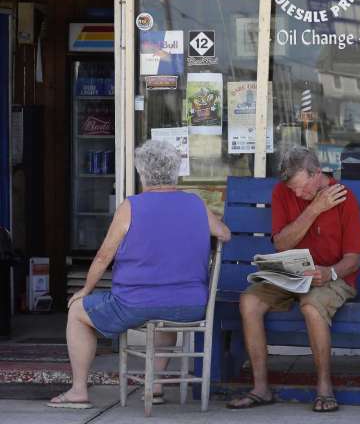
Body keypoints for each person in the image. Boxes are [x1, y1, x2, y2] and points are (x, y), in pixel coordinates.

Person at [48, 140, 231, 409]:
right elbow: (224, 234)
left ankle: (78, 391)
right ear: (175, 172)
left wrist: (84, 291)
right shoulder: (195, 203)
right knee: (166, 314)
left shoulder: (131, 207)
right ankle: (155, 385)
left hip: (134, 304)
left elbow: (102, 257)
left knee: (77, 311)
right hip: (189, 305)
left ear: (142, 173)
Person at [228, 146, 360, 412]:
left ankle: (324, 388)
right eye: (294, 190)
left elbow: (354, 259)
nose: (298, 194)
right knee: (249, 301)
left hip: (333, 274)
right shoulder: (283, 192)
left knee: (311, 307)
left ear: (317, 174)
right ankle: (261, 388)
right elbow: (282, 244)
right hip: (292, 270)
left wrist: (331, 272)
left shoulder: (345, 198)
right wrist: (313, 209)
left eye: (302, 188)